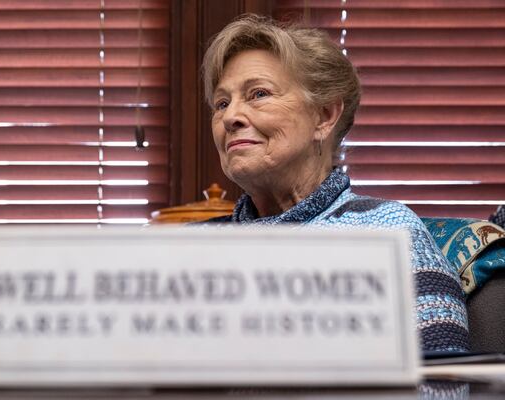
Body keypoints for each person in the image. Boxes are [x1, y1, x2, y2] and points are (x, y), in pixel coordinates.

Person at [200, 14, 469, 353]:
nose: (229, 116)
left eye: (258, 94)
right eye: (221, 103)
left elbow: (439, 387)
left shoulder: (389, 234)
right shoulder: (190, 247)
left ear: (324, 116)